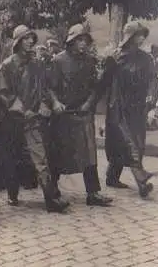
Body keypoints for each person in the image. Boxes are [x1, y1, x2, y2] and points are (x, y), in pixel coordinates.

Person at [0, 25, 69, 213]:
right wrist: (22, 110)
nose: (30, 41)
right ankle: (12, 194)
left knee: (41, 158)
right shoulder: (7, 65)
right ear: (18, 42)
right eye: (26, 38)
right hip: (13, 121)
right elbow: (4, 94)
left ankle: (51, 199)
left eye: (31, 38)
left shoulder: (37, 65)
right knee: (13, 158)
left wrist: (49, 104)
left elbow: (45, 88)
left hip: (33, 121)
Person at [48, 23, 113, 207]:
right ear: (71, 41)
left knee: (89, 154)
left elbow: (95, 88)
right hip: (64, 116)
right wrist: (55, 102)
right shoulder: (58, 61)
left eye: (85, 40)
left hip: (84, 114)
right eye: (79, 40)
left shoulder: (90, 61)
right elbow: (50, 88)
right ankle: (52, 192)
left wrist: (89, 104)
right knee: (59, 154)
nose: (83, 44)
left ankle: (93, 193)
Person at [98, 21, 156, 198]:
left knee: (131, 142)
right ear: (129, 37)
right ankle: (142, 181)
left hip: (137, 108)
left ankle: (111, 177)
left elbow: (153, 79)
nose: (141, 38)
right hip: (119, 107)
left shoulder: (146, 59)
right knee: (129, 143)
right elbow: (103, 83)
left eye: (142, 35)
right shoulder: (116, 58)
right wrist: (107, 67)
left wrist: (151, 96)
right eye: (138, 35)